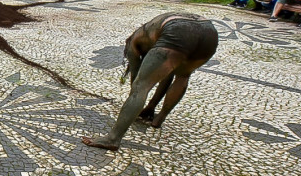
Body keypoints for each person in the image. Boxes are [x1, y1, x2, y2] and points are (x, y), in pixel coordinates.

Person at [83, 13, 219, 151]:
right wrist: (150, 107)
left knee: (140, 87)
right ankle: (159, 119)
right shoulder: (151, 35)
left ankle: (112, 139)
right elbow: (167, 75)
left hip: (177, 31)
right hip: (209, 33)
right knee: (183, 76)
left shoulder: (133, 43)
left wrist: (136, 105)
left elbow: (136, 80)